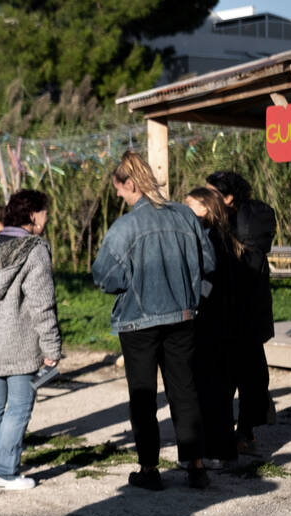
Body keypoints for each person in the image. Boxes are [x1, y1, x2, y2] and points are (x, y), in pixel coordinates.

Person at [92, 151, 214, 491]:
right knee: (184, 389)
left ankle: (149, 469)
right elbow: (208, 262)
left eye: (119, 188)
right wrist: (191, 293)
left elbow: (104, 277)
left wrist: (128, 284)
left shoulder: (126, 226)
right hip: (182, 316)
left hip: (138, 322)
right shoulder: (186, 216)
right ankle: (197, 465)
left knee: (143, 395)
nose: (118, 194)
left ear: (130, 183)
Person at [0, 190, 62, 490]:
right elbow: (42, 304)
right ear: (33, 215)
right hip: (20, 344)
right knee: (20, 406)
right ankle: (4, 471)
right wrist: (52, 347)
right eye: (46, 212)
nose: (48, 218)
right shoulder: (34, 249)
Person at [205, 171, 276, 453]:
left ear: (228, 197)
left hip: (235, 314)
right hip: (250, 314)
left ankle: (239, 433)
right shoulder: (249, 226)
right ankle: (245, 432)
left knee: (231, 376)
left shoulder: (235, 228)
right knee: (250, 375)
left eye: (211, 192)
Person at [184, 187, 242, 467]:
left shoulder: (210, 239)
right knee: (217, 389)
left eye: (190, 206)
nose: (186, 211)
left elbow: (209, 279)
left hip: (210, 324)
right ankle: (220, 449)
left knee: (209, 389)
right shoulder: (224, 237)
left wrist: (196, 302)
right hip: (224, 323)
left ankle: (213, 451)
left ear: (205, 209)